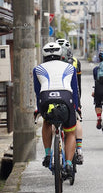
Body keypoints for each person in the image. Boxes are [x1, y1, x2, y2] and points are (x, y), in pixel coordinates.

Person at [33, 42, 79, 177]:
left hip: (46, 97)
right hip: (66, 97)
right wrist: (76, 108)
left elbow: (37, 91)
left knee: (47, 122)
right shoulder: (70, 67)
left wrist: (39, 110)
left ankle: (47, 154)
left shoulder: (37, 69)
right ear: (60, 55)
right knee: (70, 132)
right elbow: (75, 91)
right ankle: (69, 164)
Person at [56, 38, 84, 164]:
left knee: (52, 122)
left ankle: (52, 149)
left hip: (55, 95)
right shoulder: (75, 62)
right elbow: (78, 84)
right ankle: (79, 149)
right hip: (72, 96)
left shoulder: (52, 62)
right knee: (76, 120)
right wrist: (78, 104)